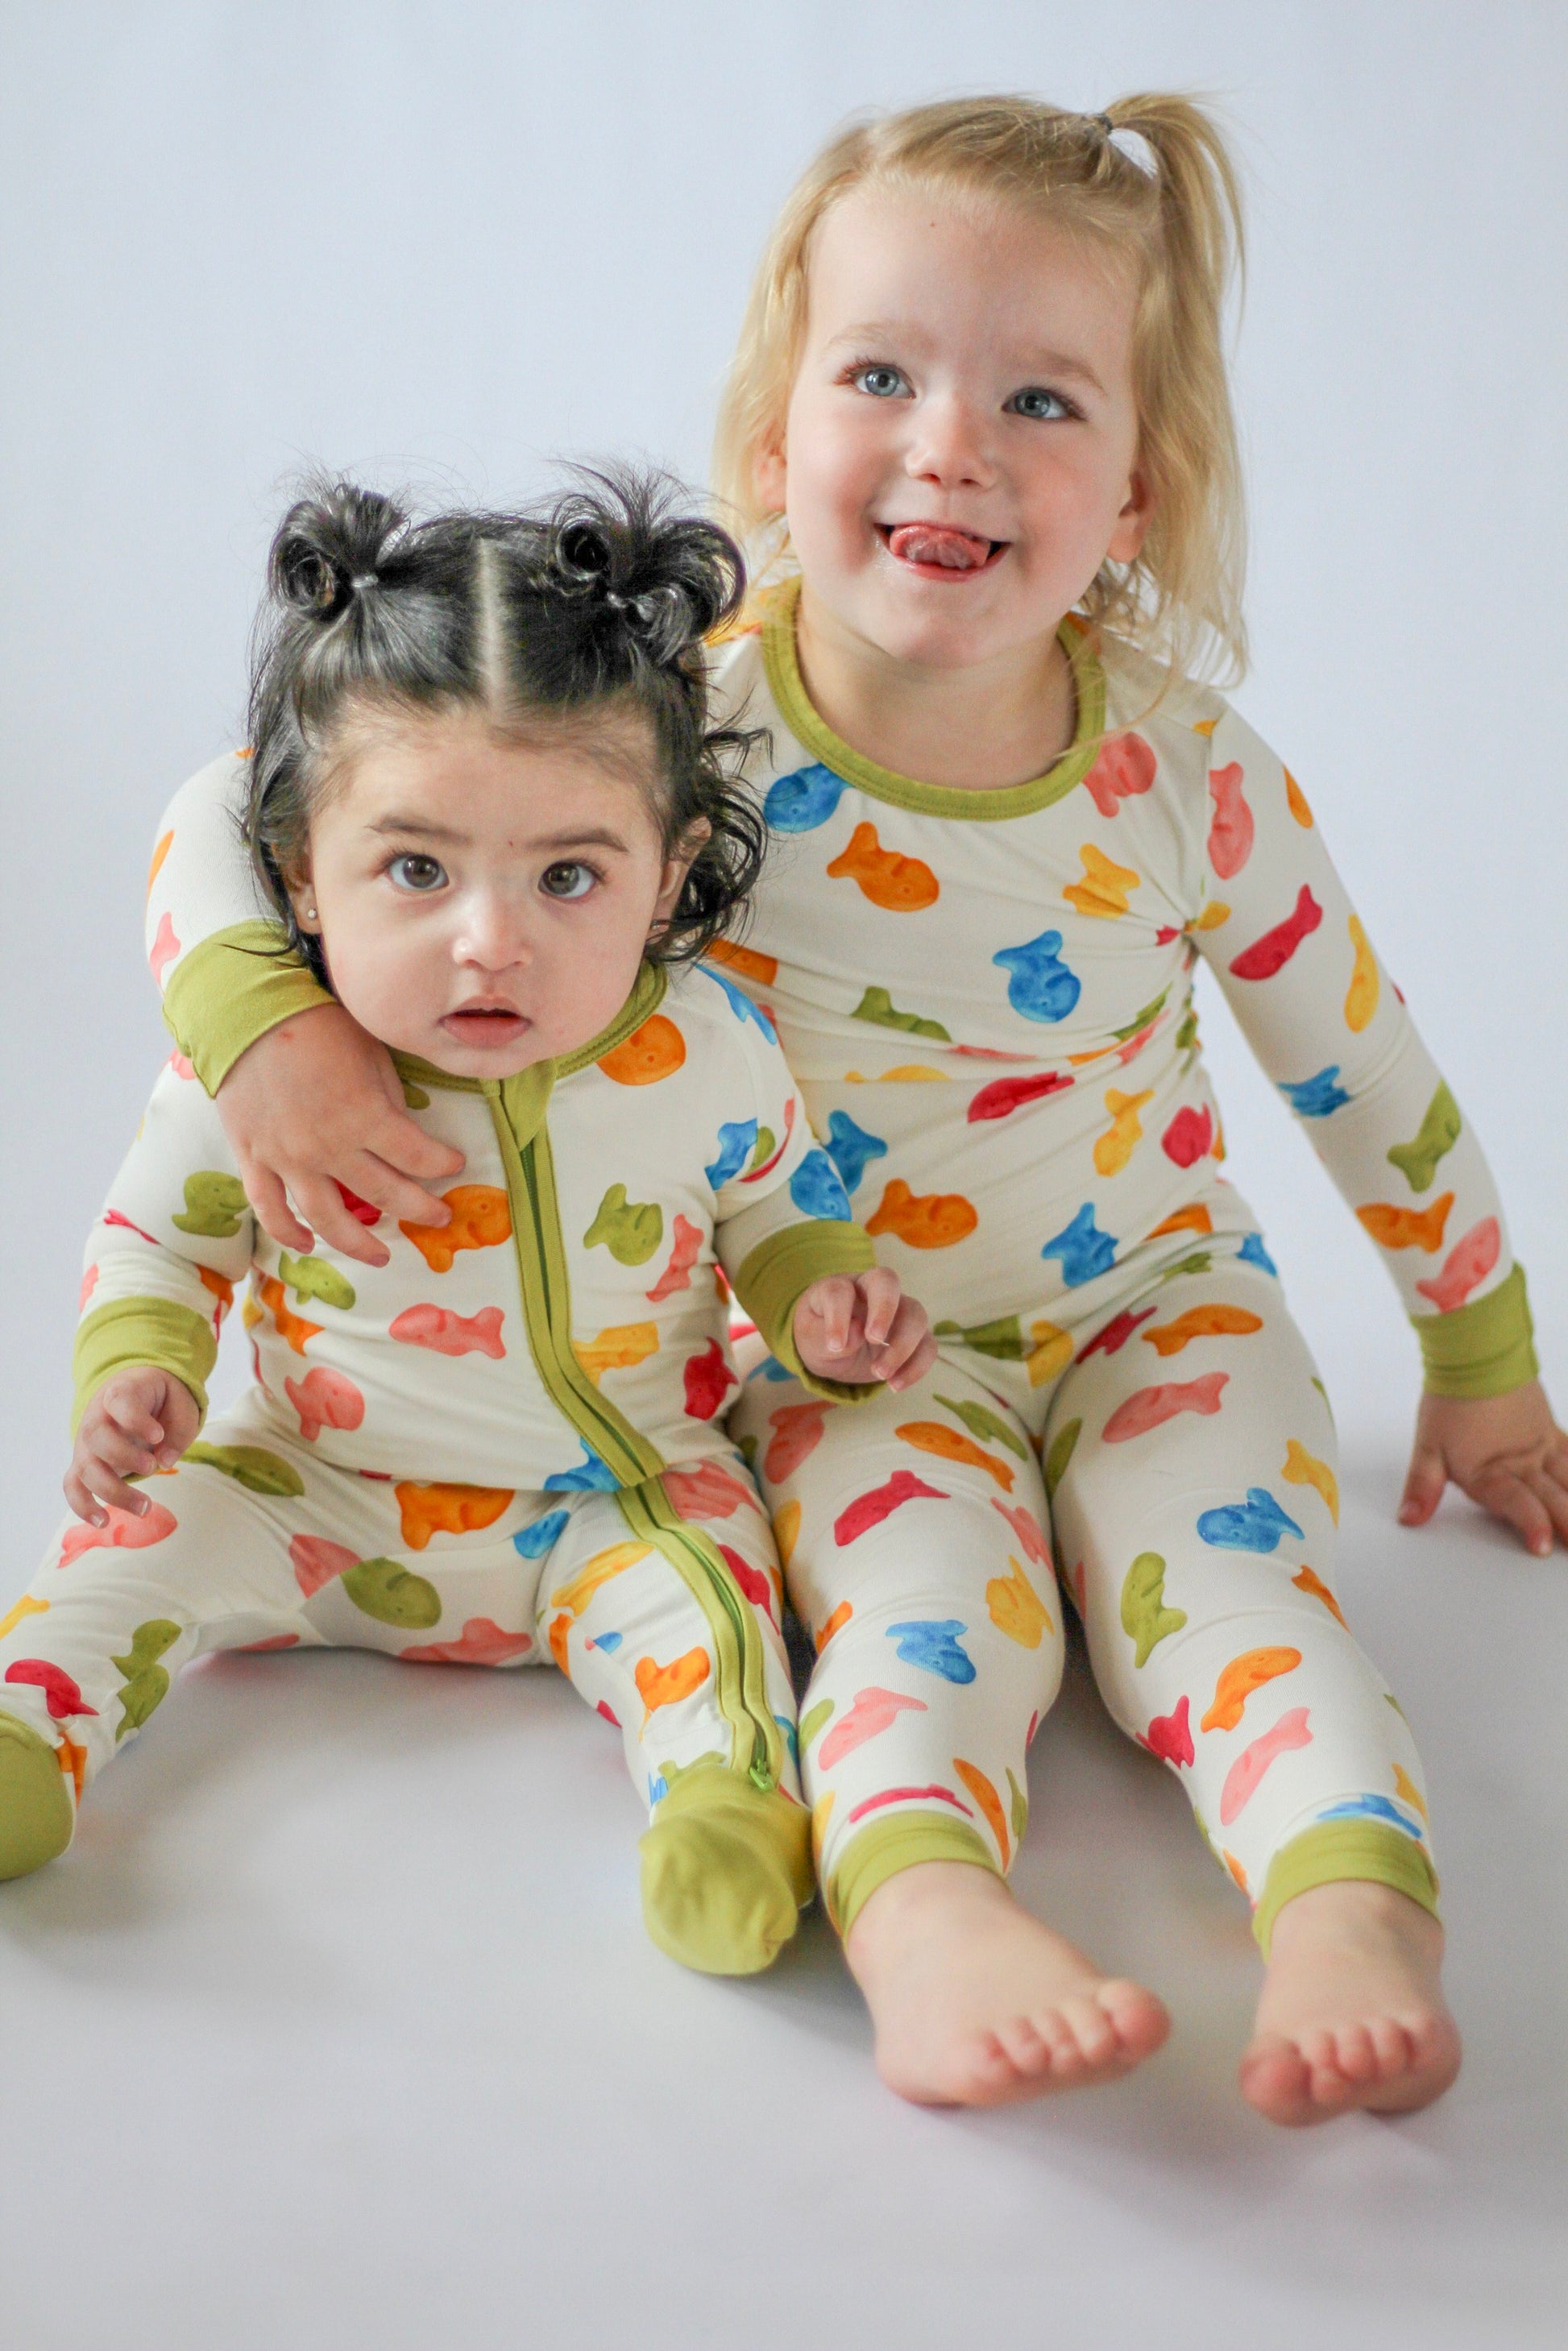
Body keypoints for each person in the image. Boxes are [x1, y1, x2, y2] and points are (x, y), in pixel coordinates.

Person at [108, 96, 1566, 2125]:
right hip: (834, 1336)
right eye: (882, 374)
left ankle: (1347, 1900)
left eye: (1040, 399)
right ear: (774, 442)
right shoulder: (680, 723)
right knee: (908, 1618)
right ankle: (926, 1915)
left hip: (1161, 1302)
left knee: (1234, 1598)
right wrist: (261, 1012)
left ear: (1138, 489)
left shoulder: (1183, 775)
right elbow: (251, 795)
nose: (952, 442)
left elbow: (1362, 1066)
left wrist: (1477, 1359)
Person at [0, 471, 935, 1981]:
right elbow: (160, 1242)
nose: (489, 940)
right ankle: (27, 1732)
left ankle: (723, 1810)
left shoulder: (704, 1044)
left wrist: (823, 1300)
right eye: (416, 870)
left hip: (619, 1495)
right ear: (300, 873)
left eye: (569, 874)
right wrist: (138, 1370)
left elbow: (782, 1202)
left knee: (719, 1616)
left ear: (671, 873)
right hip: (309, 1481)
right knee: (124, 1552)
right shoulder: (262, 1081)